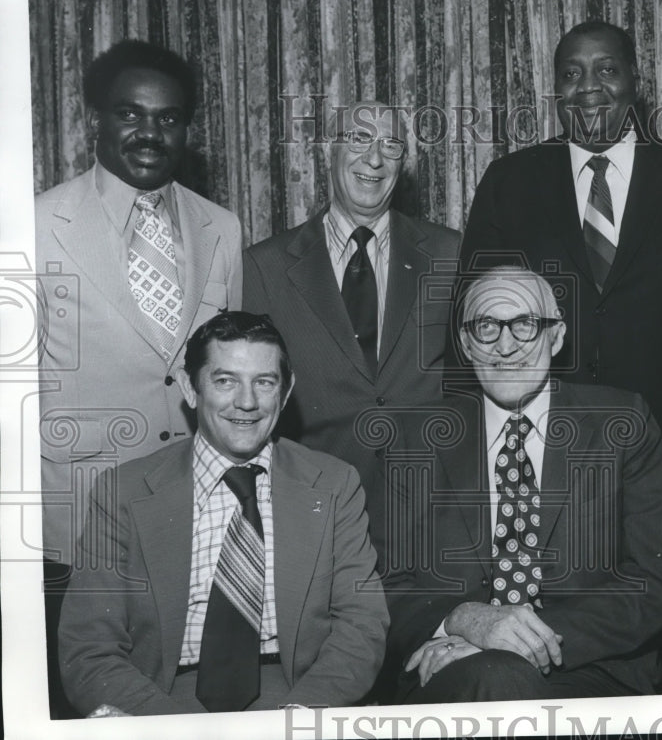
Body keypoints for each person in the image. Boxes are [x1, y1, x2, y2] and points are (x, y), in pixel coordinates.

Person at [459, 21, 662, 511]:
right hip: (543, 444)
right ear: (555, 90)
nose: (588, 88)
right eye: (571, 74)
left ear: (635, 83)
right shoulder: (509, 183)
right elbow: (471, 322)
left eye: (606, 70)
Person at [34, 39, 243, 715]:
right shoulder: (33, 225)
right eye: (130, 113)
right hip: (74, 533)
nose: (151, 132)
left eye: (170, 117)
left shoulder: (222, 228)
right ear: (94, 117)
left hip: (194, 522)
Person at [58, 312, 387, 716]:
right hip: (160, 701)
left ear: (285, 392)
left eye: (264, 382)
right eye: (225, 380)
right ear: (190, 388)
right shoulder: (122, 492)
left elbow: (362, 626)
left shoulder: (335, 484)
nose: (246, 402)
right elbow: (89, 649)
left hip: (294, 697)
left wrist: (295, 717)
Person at [381, 267, 662, 703]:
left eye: (525, 325)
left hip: (591, 669)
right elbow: (386, 584)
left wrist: (513, 638)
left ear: (556, 336)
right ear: (466, 344)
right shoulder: (415, 439)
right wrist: (466, 619)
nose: (506, 346)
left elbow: (655, 581)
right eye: (486, 327)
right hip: (451, 668)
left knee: (501, 677)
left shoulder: (622, 423)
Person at [244, 100, 460, 567]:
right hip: (315, 515)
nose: (375, 159)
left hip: (431, 516)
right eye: (359, 139)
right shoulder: (265, 266)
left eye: (391, 145)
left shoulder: (450, 255)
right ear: (329, 151)